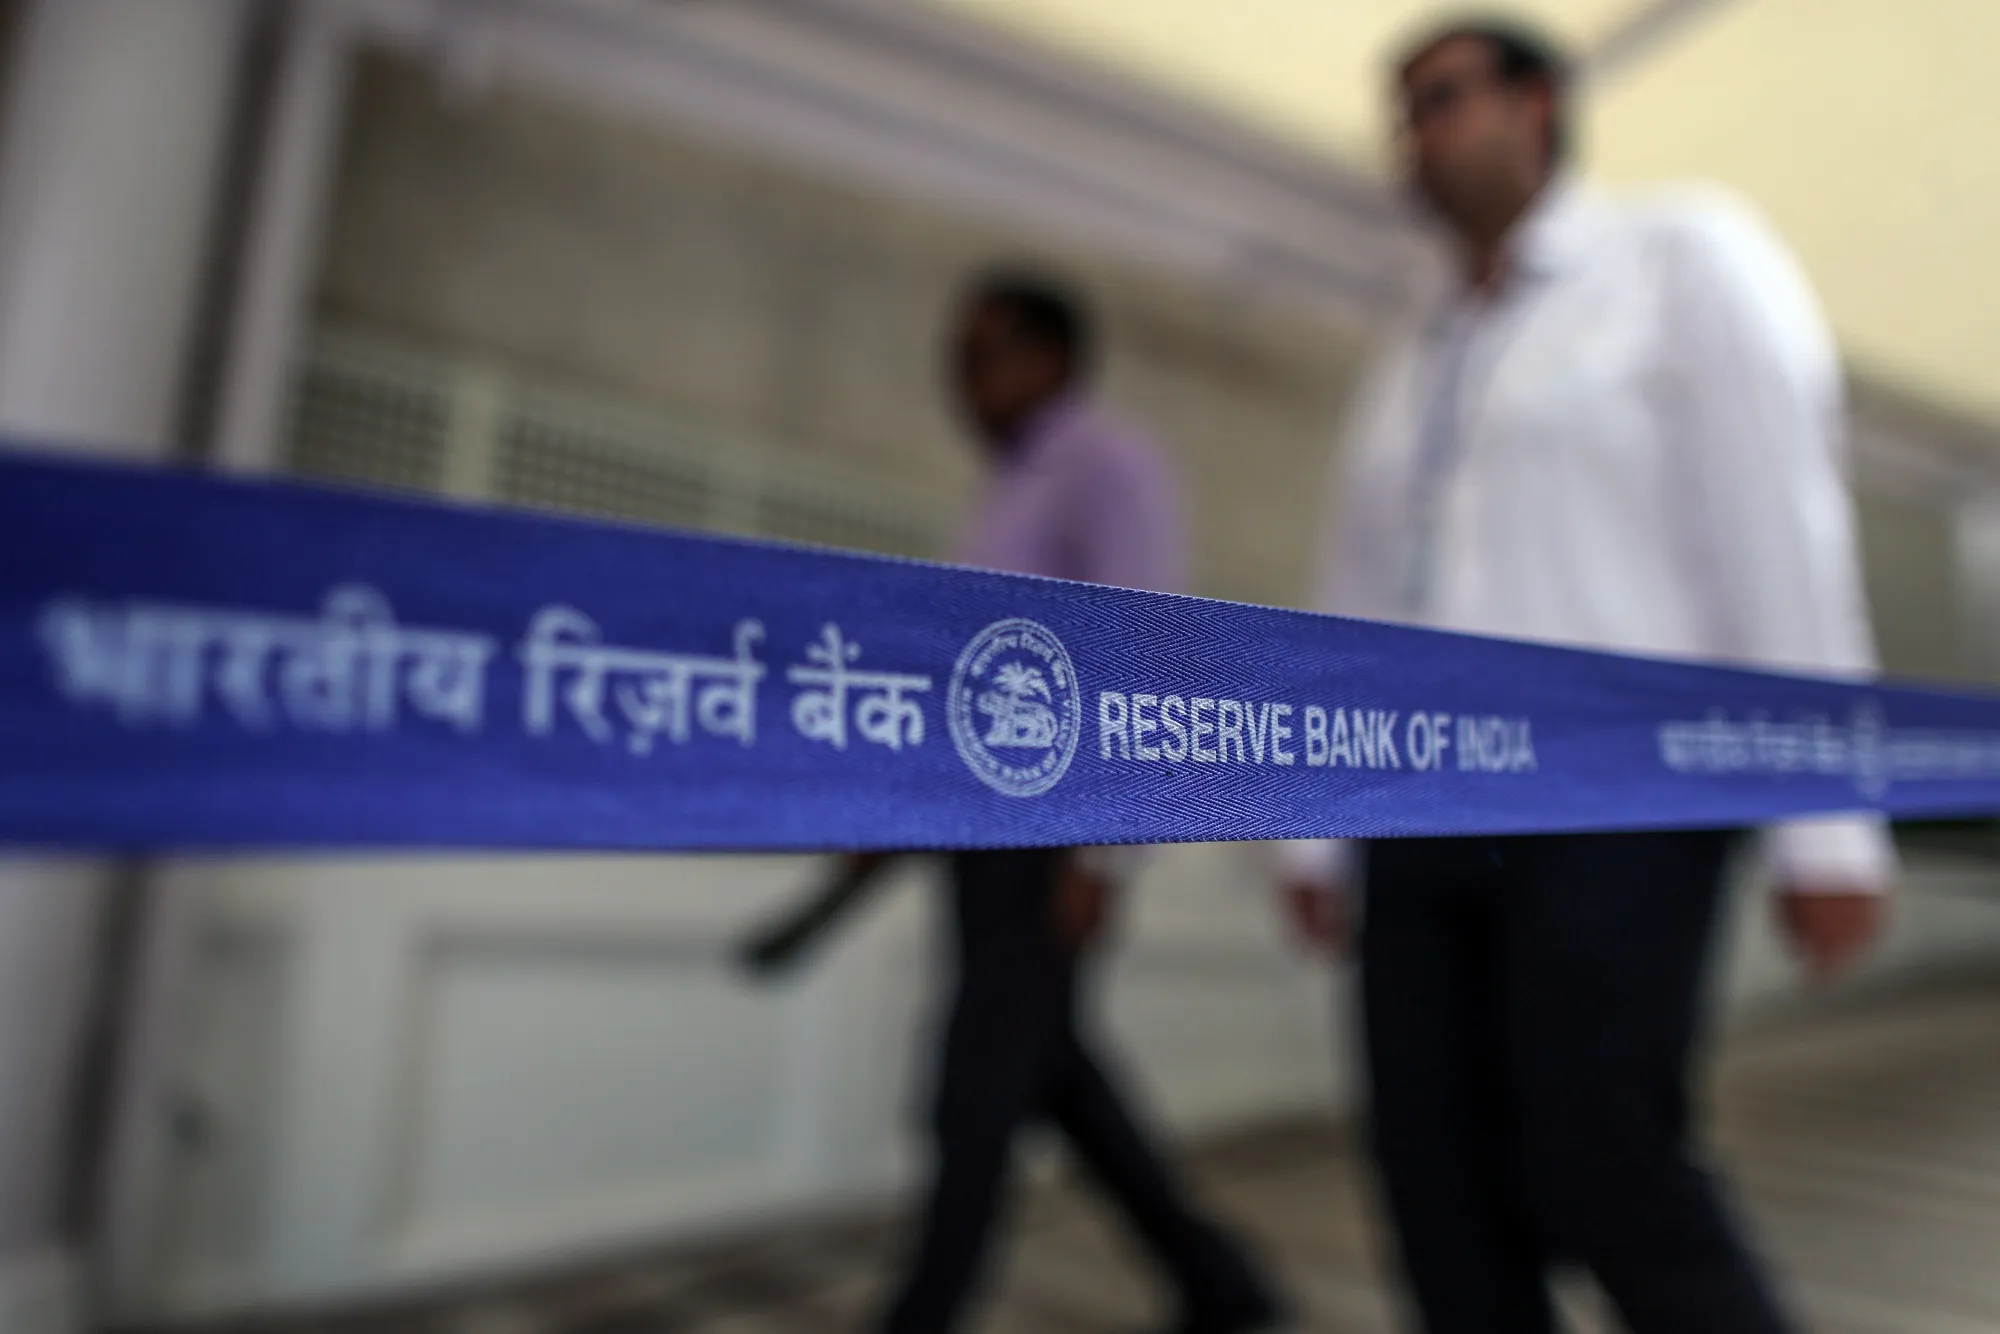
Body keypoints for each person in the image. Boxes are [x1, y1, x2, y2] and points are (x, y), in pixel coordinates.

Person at [1278, 16, 1893, 1334]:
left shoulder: (1678, 258)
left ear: (1538, 104)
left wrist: (1828, 820)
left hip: (1619, 796)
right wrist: (1317, 834)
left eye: (1440, 98)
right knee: (1434, 1184)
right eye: (1401, 113)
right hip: (1419, 806)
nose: (1415, 138)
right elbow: (1357, 584)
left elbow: (1779, 528)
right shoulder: (1416, 348)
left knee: (1602, 1155)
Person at [743, 270, 1289, 1334]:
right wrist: (896, 820)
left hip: (1049, 843)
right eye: (956, 356)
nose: (961, 380)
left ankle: (923, 1313)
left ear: (1052, 358)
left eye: (983, 352)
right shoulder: (1002, 493)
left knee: (977, 1091)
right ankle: (1223, 1282)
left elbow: (1144, 655)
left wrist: (1102, 855)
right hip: (981, 837)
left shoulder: (1103, 464)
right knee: (1053, 1074)